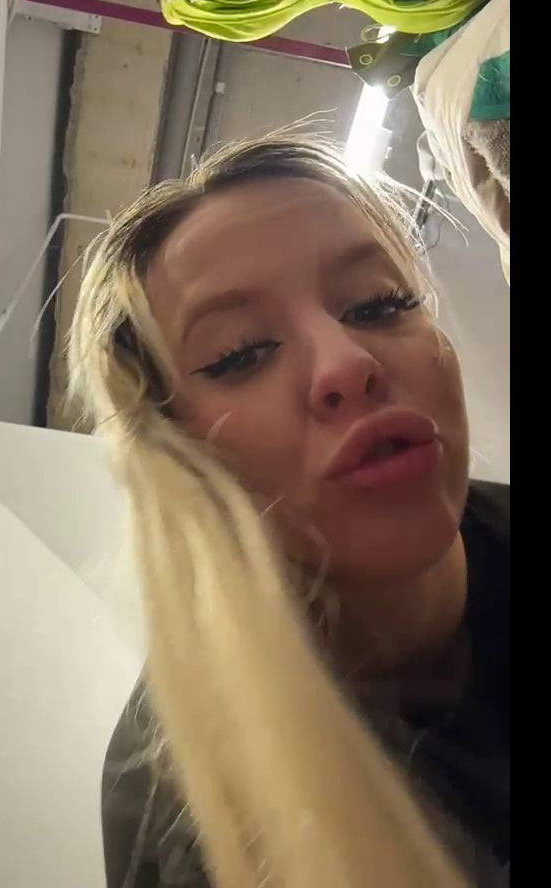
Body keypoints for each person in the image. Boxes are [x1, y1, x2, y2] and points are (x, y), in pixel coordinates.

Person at [68, 133, 509, 888]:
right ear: (180, 453)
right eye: (240, 353)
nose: (348, 364)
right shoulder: (189, 824)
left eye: (379, 303)